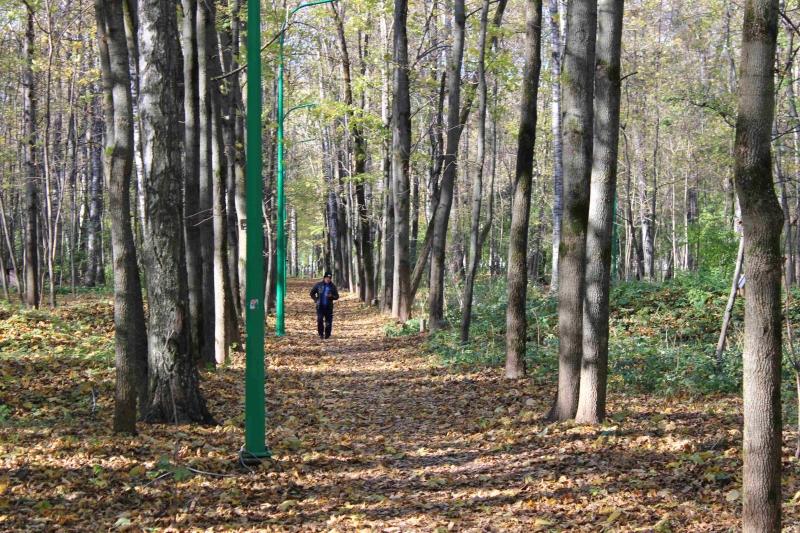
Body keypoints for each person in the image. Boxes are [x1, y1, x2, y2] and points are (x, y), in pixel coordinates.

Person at [310, 272, 339, 339]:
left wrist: (331, 296)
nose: (328, 279)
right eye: (327, 278)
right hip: (320, 306)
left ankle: (327, 334)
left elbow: (337, 296)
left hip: (329, 307)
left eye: (329, 278)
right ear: (324, 277)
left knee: (328, 322)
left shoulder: (333, 286)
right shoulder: (318, 285)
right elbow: (312, 293)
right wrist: (316, 300)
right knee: (320, 320)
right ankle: (320, 334)